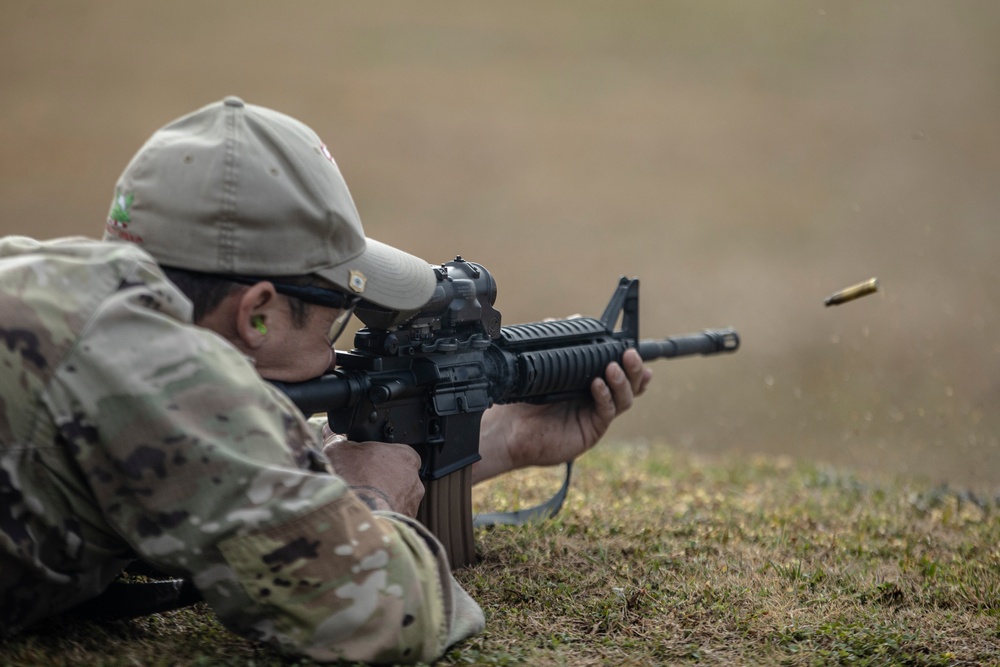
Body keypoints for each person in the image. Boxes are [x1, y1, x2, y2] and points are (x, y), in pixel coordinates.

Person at [0, 97, 652, 664]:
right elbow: (379, 611)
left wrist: (507, 435)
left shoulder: (57, 286)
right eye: (339, 316)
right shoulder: (162, 371)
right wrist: (370, 495)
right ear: (256, 312)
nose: (335, 354)